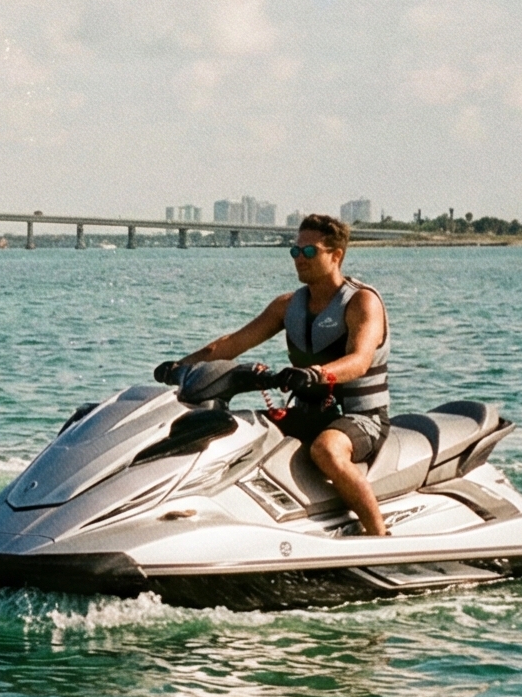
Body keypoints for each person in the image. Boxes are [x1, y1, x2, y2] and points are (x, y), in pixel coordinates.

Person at [168, 213, 392, 535]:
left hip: (361, 418)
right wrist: (180, 367)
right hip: (308, 414)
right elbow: (232, 343)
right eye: (295, 251)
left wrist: (316, 374)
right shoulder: (287, 306)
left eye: (310, 252)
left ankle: (378, 536)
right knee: (235, 430)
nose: (300, 259)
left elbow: (358, 360)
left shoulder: (361, 302)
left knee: (327, 450)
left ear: (336, 255)